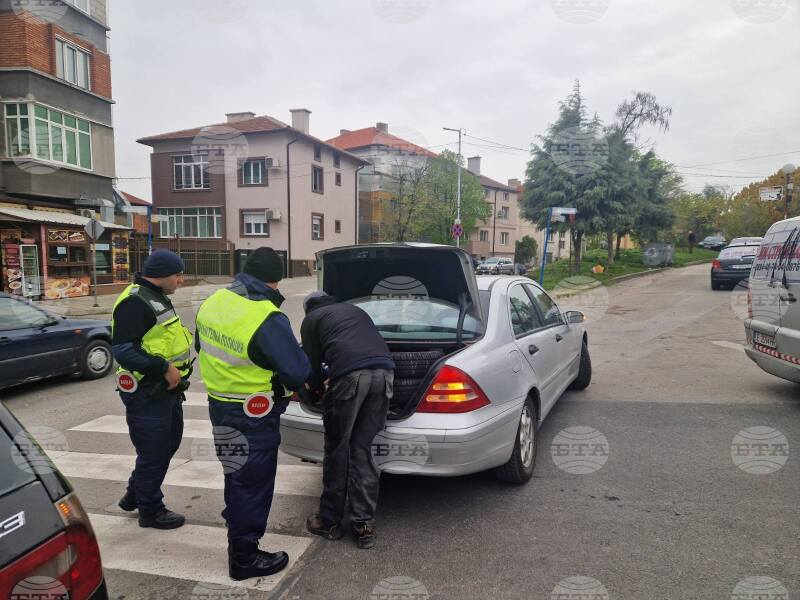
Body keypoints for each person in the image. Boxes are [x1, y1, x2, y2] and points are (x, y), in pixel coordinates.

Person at [195, 247, 310, 580]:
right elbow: (297, 371)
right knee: (252, 483)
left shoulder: (213, 301)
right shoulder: (266, 316)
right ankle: (244, 558)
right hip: (254, 413)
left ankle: (236, 521)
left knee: (236, 473)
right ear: (275, 280)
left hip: (220, 404)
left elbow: (202, 347)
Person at [301, 291, 395, 549]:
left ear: (308, 309)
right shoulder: (355, 310)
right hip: (385, 374)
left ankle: (329, 521)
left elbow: (311, 365)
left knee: (337, 448)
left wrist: (316, 390)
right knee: (365, 449)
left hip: (351, 378)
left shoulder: (312, 319)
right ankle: (363, 525)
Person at [111, 249, 193, 530]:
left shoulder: (154, 296)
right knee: (154, 452)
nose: (181, 280)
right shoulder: (134, 302)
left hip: (165, 390)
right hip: (147, 392)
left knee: (168, 444)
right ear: (161, 275)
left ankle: (136, 494)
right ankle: (150, 510)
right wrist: (163, 368)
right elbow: (124, 350)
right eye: (178, 275)